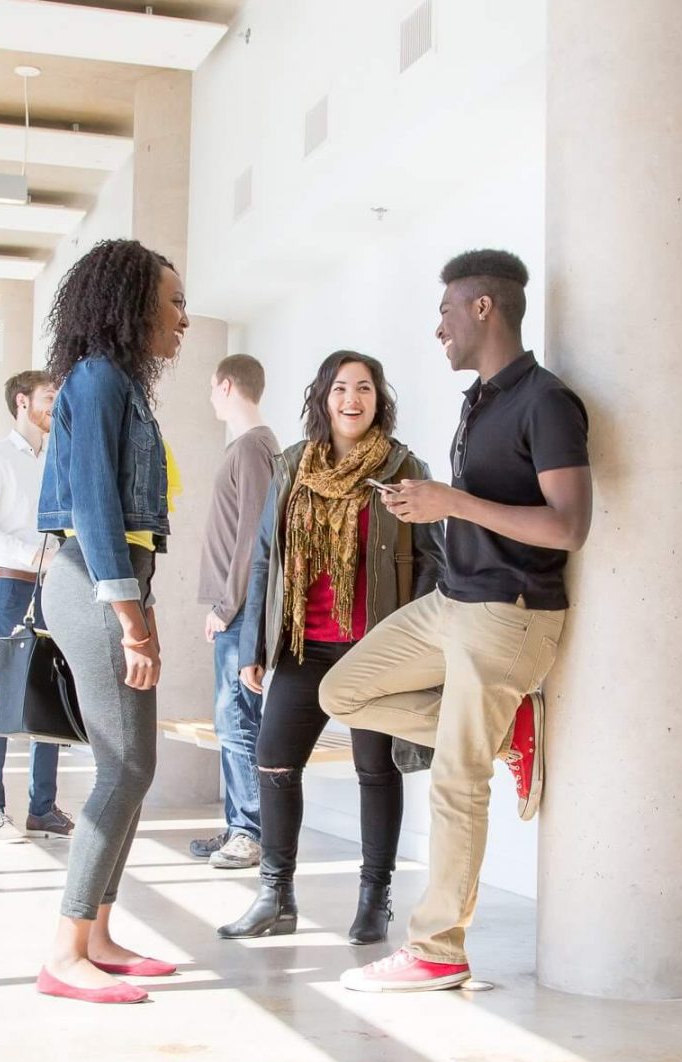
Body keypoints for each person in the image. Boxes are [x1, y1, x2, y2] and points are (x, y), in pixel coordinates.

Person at [323, 250, 591, 992]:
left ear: (483, 309)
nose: (437, 326)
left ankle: (438, 948)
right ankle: (512, 732)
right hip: (454, 602)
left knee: (454, 776)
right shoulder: (481, 399)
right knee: (342, 694)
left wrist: (454, 503)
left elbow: (570, 526)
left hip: (510, 615)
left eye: (446, 311)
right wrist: (429, 508)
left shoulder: (546, 400)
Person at [217, 351, 443, 947]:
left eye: (364, 387)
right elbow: (264, 557)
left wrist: (410, 646)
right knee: (273, 762)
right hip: (301, 644)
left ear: (379, 398)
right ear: (322, 397)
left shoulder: (402, 467)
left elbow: (431, 564)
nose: (352, 398)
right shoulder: (292, 466)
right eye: (341, 387)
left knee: (375, 770)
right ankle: (275, 895)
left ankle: (375, 899)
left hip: (375, 652)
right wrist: (252, 646)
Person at [33, 238, 187, 1004]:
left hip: (116, 587)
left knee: (136, 766)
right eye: (174, 301)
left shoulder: (117, 385)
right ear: (134, 304)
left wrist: (136, 606)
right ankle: (65, 951)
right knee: (122, 768)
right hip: (96, 586)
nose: (183, 319)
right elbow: (95, 507)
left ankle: (96, 933)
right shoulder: (96, 382)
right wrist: (130, 617)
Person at [0, 370, 73, 842]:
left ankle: (42, 808)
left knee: (50, 698)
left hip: (56, 590)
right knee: (2, 698)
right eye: (50, 398)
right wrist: (28, 554)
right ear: (22, 401)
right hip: (12, 589)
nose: (55, 405)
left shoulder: (58, 455)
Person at [189, 355, 280, 870]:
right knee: (232, 719)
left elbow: (253, 535)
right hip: (238, 608)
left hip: (241, 609)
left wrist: (226, 607)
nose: (210, 397)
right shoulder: (252, 445)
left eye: (211, 388)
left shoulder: (252, 447)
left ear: (226, 385)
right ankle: (237, 828)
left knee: (237, 720)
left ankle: (249, 831)